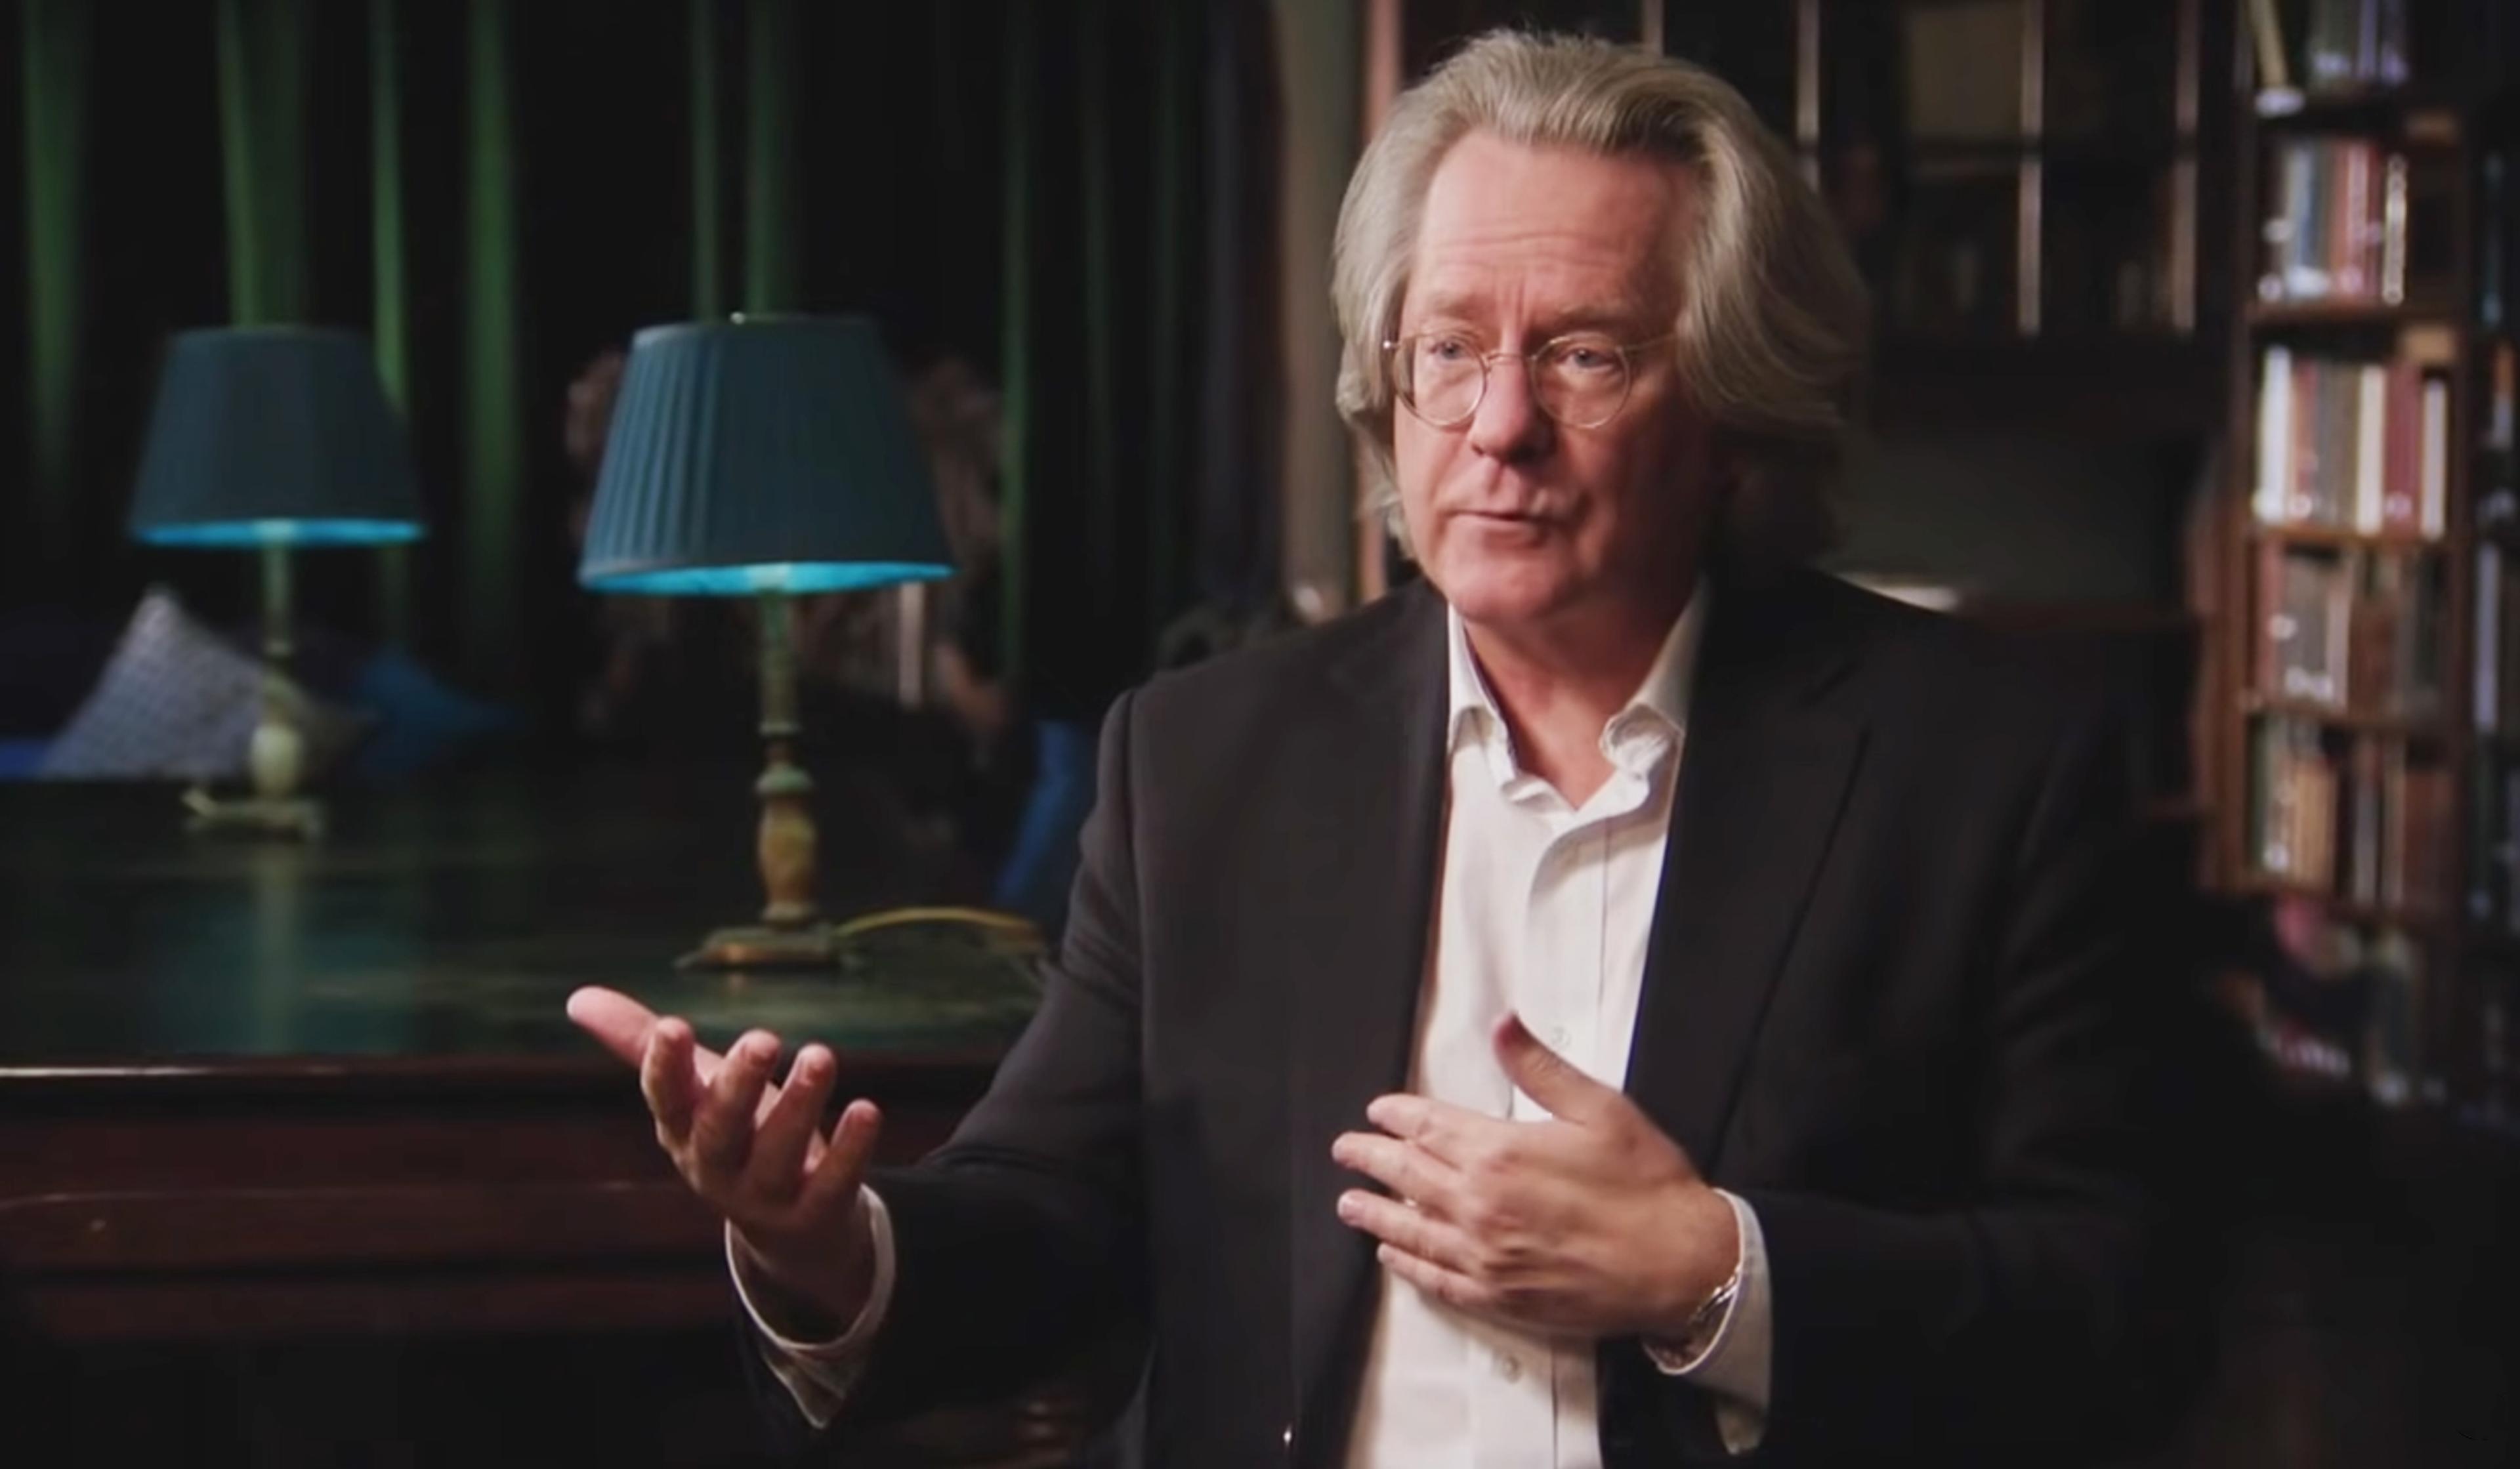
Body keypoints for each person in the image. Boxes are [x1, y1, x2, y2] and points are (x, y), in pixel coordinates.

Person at [569, 31, 2208, 1466]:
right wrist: (824, 1247)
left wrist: (1715, 1274)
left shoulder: (1988, 766)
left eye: (1584, 353)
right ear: (1389, 387)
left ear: (1729, 413)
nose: (1499, 424)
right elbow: (1053, 1214)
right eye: (1449, 351)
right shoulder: (1207, 759)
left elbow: (2130, 1315)